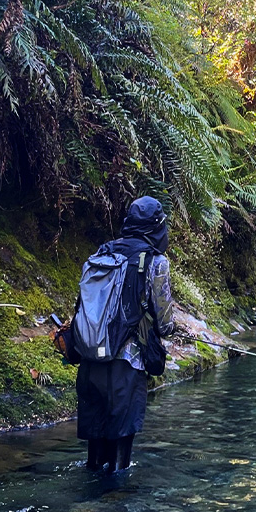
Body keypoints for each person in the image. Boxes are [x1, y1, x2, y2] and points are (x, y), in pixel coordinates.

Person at [76, 195, 175, 473]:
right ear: (156, 228)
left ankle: (88, 507)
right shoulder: (155, 262)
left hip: (90, 361)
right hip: (127, 367)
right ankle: (115, 509)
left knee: (93, 458)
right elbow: (165, 323)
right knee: (120, 462)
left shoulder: (102, 253)